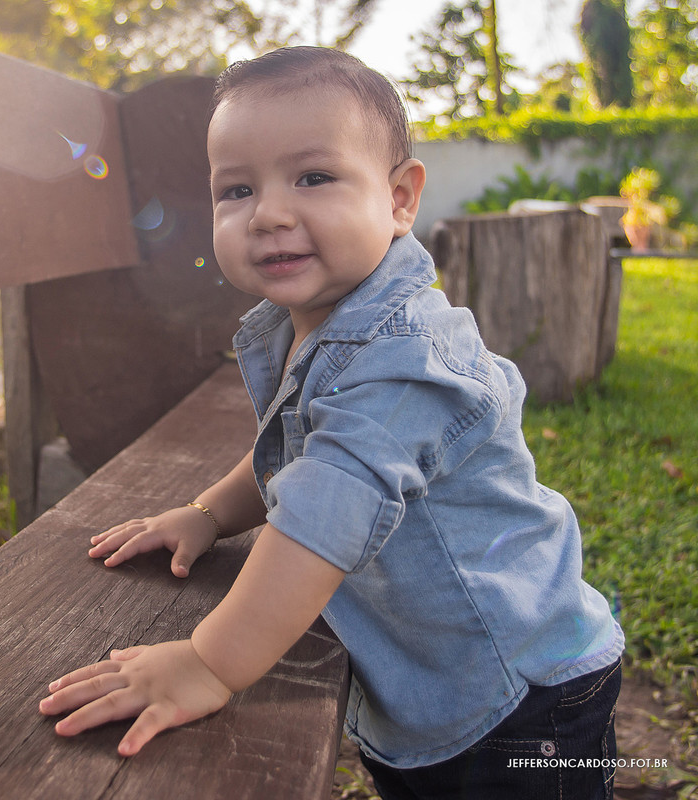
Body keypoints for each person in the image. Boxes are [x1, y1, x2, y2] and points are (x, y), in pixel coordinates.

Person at [37, 46, 625, 799]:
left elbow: (322, 515)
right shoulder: (312, 322)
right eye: (237, 189)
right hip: (439, 678)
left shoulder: (405, 360)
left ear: (400, 198)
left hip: (513, 696)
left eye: (314, 177)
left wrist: (209, 662)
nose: (271, 212)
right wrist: (209, 513)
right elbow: (301, 456)